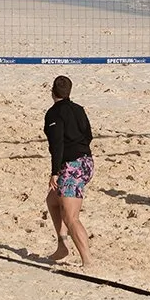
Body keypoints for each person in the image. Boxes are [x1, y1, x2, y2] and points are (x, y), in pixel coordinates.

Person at [43, 74, 93, 266]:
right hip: (87, 162)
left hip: (73, 165)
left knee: (71, 217)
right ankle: (62, 245)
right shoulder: (79, 109)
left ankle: (87, 261)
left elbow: (57, 146)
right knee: (52, 200)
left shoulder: (53, 114)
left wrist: (55, 171)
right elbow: (88, 135)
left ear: (52, 92)